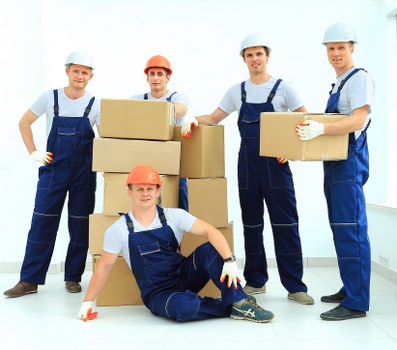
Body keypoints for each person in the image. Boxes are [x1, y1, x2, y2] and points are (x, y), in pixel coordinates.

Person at [181, 34, 313, 305]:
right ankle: (256, 281)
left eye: (259, 54)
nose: (255, 59)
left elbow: (305, 120)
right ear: (244, 59)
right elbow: (215, 117)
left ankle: (295, 286)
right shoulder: (236, 91)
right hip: (247, 166)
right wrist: (193, 119)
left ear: (267, 56)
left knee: (285, 224)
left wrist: (290, 152)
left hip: (277, 167)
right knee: (252, 224)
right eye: (250, 54)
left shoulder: (284, 88)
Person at [78, 164, 274, 323]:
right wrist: (87, 302)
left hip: (183, 276)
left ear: (158, 190)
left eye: (150, 189)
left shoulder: (173, 216)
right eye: (139, 189)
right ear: (130, 191)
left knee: (210, 249)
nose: (145, 194)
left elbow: (210, 231)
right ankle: (230, 305)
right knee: (184, 308)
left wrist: (230, 261)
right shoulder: (118, 230)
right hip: (158, 294)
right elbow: (103, 268)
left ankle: (239, 302)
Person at [4, 50, 100, 298]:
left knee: (80, 224)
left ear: (91, 76)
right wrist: (33, 152)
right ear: (67, 71)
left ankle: (73, 277)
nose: (80, 75)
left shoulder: (95, 104)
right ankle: (29, 280)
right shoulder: (50, 97)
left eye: (85, 72)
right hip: (53, 169)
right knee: (42, 222)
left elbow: (108, 139)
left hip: (83, 172)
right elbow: (24, 122)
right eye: (76, 70)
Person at [296, 22, 374, 321]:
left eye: (341, 47)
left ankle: (356, 302)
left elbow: (357, 121)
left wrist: (321, 129)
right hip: (336, 163)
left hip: (349, 163)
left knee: (351, 230)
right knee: (340, 228)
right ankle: (350, 287)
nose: (336, 53)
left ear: (352, 48)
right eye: (331, 48)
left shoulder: (359, 79)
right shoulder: (340, 82)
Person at [130, 55, 190, 211]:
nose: (156, 78)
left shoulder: (177, 97)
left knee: (179, 201)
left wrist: (145, 114)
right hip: (145, 160)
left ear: (167, 77)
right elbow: (125, 118)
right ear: (147, 77)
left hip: (173, 163)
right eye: (152, 74)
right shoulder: (136, 99)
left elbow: (179, 109)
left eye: (160, 74)